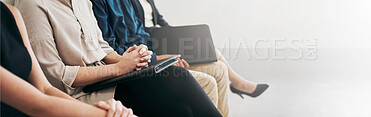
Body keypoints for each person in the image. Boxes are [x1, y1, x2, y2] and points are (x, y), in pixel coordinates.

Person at [14, 0, 222, 116]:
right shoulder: (33, 5)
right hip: (82, 93)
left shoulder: (81, 1)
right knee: (175, 76)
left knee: (181, 111)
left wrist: (126, 59)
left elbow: (101, 47)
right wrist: (119, 68)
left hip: (110, 80)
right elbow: (55, 76)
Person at [90, 0, 230, 116]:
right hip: (137, 65)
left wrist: (169, 40)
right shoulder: (97, 3)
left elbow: (142, 33)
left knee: (219, 69)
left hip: (150, 53)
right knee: (207, 82)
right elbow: (111, 49)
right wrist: (158, 57)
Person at [0, 2, 135, 117]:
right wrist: (101, 113)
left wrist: (103, 110)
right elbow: (39, 104)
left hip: (73, 99)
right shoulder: (31, 5)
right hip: (72, 95)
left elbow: (44, 89)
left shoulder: (13, 14)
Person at [132, 0, 269, 99]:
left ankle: (238, 83)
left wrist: (175, 33)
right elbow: (134, 30)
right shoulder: (126, 3)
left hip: (163, 38)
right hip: (153, 45)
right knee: (208, 49)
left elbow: (160, 20)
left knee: (206, 46)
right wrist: (155, 30)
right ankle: (238, 83)